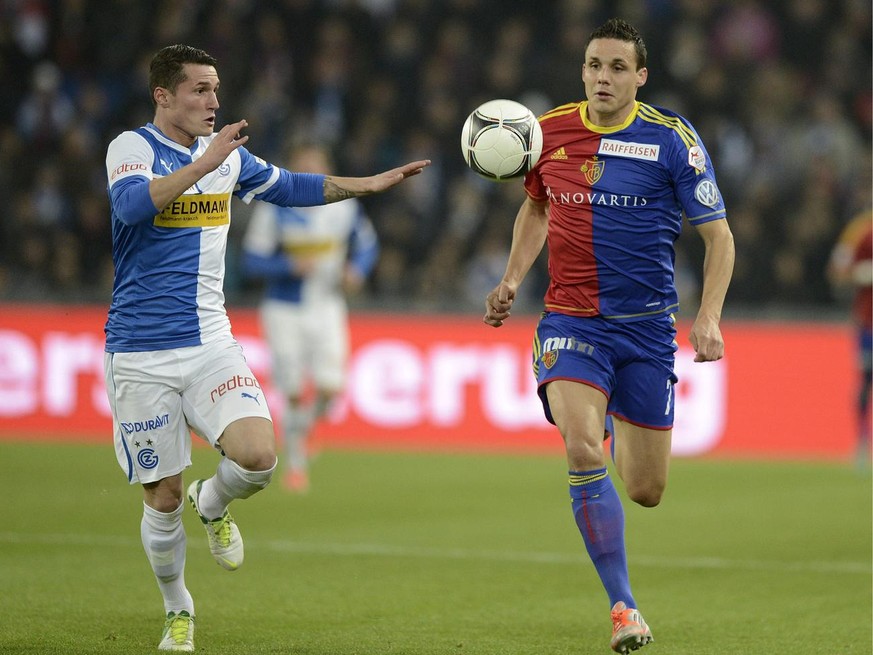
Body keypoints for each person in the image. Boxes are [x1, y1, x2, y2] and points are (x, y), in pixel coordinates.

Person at [103, 44, 429, 653]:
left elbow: (293, 187)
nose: (213, 100)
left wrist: (368, 184)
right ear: (163, 96)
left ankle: (215, 499)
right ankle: (179, 609)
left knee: (257, 457)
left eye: (216, 88)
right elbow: (130, 208)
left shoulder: (228, 159)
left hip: (209, 342)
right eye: (199, 89)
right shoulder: (131, 150)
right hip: (141, 351)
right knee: (161, 495)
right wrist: (208, 164)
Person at [483, 18, 734, 654]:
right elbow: (536, 206)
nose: (603, 77)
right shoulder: (547, 133)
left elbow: (719, 236)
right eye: (595, 65)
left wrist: (707, 317)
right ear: (584, 70)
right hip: (571, 321)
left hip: (648, 330)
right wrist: (512, 280)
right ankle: (623, 607)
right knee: (581, 449)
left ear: (640, 77)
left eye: (618, 67)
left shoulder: (672, 140)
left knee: (646, 491)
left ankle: (616, 412)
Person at [241, 142, 380, 493]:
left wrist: (357, 270)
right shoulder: (274, 208)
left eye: (317, 165)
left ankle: (299, 431)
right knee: (289, 389)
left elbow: (367, 245)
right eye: (304, 165)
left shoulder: (344, 206)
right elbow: (251, 261)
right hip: (283, 309)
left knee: (330, 387)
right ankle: (296, 465)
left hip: (328, 305)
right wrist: (288, 265)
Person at [828, 208, 872, 469]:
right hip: (869, 323)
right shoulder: (860, 230)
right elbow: (837, 271)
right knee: (866, 380)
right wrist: (862, 273)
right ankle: (862, 444)